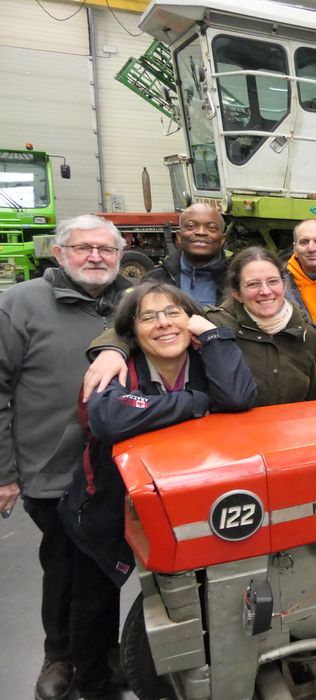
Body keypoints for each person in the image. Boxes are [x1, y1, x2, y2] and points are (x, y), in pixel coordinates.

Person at [58, 282, 256, 698]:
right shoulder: (119, 364)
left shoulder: (205, 359)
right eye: (149, 317)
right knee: (93, 604)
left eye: (174, 313)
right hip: (107, 508)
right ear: (132, 329)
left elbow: (238, 397)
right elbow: (108, 418)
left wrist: (215, 336)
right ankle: (91, 683)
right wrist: (195, 403)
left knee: (182, 593)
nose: (164, 324)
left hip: (183, 509)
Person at [0, 214, 132, 700]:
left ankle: (103, 649)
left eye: (106, 249)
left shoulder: (130, 303)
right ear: (59, 253)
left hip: (115, 473)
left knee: (107, 564)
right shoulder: (21, 305)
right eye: (83, 248)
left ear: (120, 256)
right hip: (50, 472)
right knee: (62, 567)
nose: (95, 257)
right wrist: (4, 474)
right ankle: (60, 656)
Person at [85, 247, 316, 407]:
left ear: (284, 285)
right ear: (237, 293)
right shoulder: (213, 322)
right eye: (253, 284)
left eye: (273, 282)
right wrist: (111, 349)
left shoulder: (304, 333)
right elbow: (153, 326)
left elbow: (315, 399)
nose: (265, 291)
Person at [143, 202, 228, 306]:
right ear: (179, 236)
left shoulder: (236, 279)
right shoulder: (155, 279)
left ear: (222, 239)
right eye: (191, 226)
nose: (201, 232)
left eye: (211, 228)